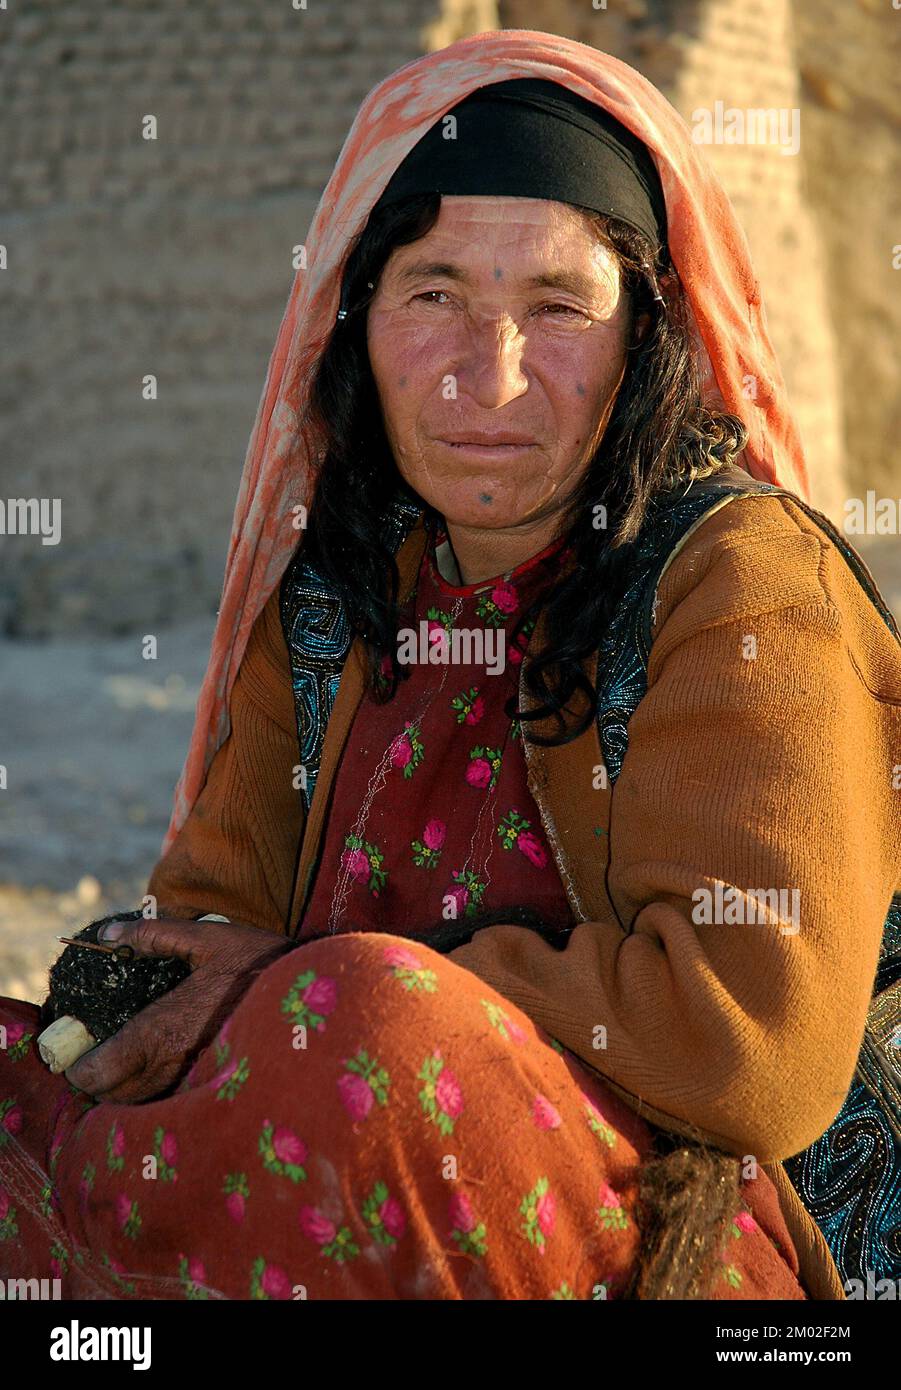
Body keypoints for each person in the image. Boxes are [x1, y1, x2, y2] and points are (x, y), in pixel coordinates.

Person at [2, 30, 898, 1301]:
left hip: (672, 1236)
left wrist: (309, 987)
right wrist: (150, 981)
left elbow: (747, 1044)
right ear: (355, 324)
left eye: (557, 305)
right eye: (432, 296)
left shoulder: (737, 582)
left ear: (645, 332)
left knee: (367, 1028)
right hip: (337, 1146)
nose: (493, 375)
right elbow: (211, 919)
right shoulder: (343, 586)